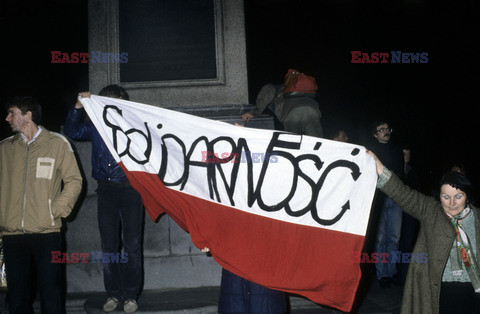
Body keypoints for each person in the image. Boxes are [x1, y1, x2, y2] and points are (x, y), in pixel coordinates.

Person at [367, 150, 480, 314]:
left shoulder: (477, 218)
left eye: (458, 196)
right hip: (438, 293)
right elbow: (403, 193)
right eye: (446, 197)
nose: (452, 203)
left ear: (467, 196)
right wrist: (378, 166)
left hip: (473, 292)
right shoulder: (431, 210)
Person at [64, 85, 144, 314]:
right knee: (109, 246)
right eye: (106, 102)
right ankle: (113, 294)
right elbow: (73, 131)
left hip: (131, 191)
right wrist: (78, 107)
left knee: (132, 246)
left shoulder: (133, 126)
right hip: (106, 191)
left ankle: (130, 296)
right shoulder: (95, 126)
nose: (111, 107)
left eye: (117, 103)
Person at [0, 96, 83, 314]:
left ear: (27, 115)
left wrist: (55, 211)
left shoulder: (57, 143)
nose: (7, 118)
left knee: (51, 293)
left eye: (12, 113)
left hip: (47, 232)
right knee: (16, 296)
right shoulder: (4, 149)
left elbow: (74, 181)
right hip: (12, 235)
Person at [367, 120, 404, 288]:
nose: (385, 131)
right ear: (375, 134)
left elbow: (400, 174)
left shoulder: (397, 150)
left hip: (395, 197)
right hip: (379, 199)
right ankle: (382, 275)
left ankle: (392, 272)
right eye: (381, 129)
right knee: (380, 239)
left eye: (387, 128)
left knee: (394, 238)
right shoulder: (371, 152)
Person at [241, 71, 323, 138]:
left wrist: (254, 112)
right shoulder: (296, 91)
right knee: (317, 142)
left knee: (293, 143)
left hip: (292, 113)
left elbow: (266, 97)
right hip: (312, 110)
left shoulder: (272, 88)